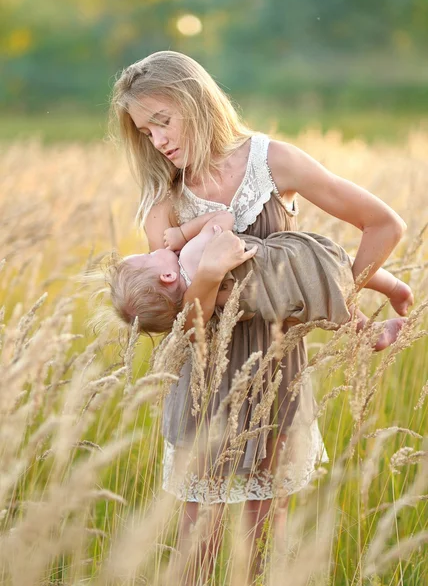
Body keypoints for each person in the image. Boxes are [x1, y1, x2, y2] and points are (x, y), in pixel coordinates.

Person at [110, 50, 412, 581]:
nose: (157, 141)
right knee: (197, 542)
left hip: (276, 372)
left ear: (197, 100)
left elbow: (384, 225)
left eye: (163, 120)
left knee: (263, 538)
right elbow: (183, 324)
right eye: (145, 131)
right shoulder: (166, 202)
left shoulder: (274, 161)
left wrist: (334, 302)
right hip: (204, 380)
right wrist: (205, 280)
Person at [108, 209, 412, 352]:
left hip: (280, 303)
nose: (153, 251)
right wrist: (184, 232)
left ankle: (369, 331)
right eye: (147, 257)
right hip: (285, 266)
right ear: (167, 276)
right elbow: (223, 219)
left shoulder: (202, 309)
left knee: (327, 299)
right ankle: (395, 289)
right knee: (340, 267)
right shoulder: (189, 255)